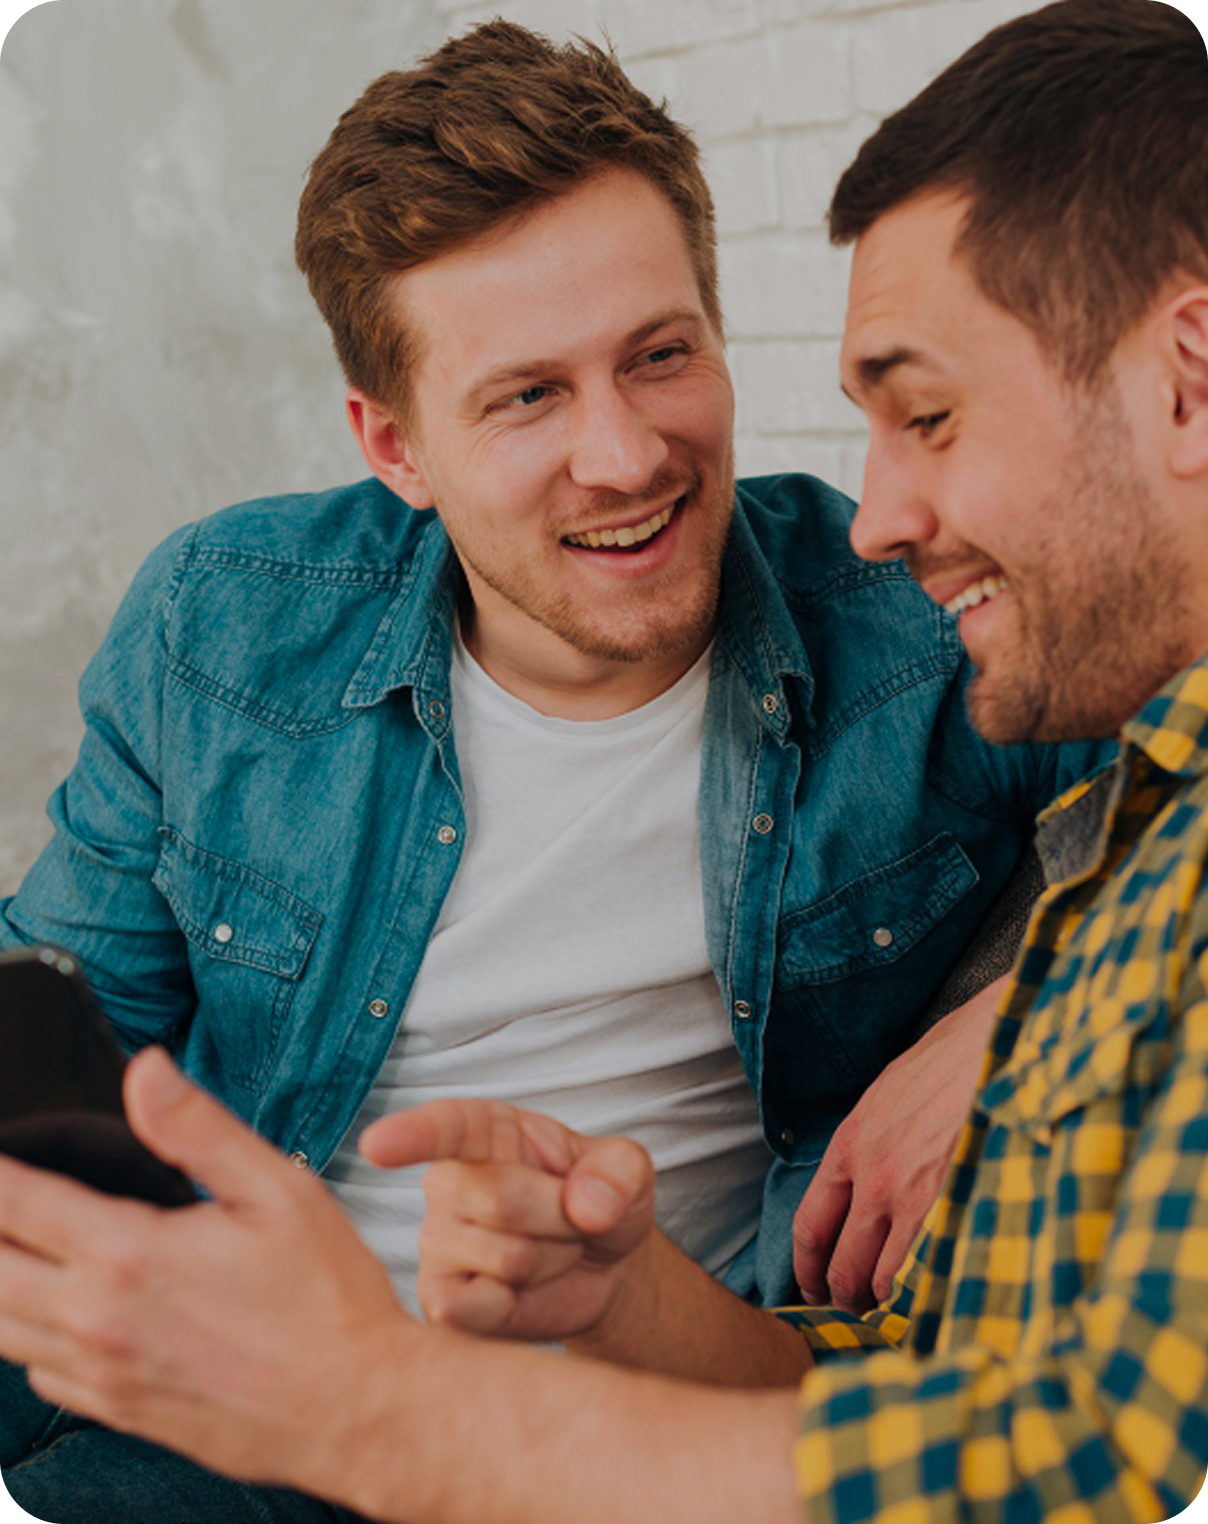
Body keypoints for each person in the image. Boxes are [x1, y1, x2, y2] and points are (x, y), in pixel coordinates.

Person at [0, 8, 1143, 1522]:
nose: (624, 456)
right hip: (253, 1420)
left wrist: (1035, 1003)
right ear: (394, 444)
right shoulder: (221, 627)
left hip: (675, 1417)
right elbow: (56, 1048)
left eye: (659, 358)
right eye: (528, 395)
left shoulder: (924, 614)